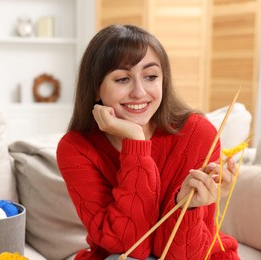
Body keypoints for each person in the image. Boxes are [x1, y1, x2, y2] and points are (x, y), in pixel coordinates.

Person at [56, 24, 240, 260]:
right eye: (122, 79)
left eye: (151, 76)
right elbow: (129, 246)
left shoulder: (198, 134)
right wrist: (135, 142)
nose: (139, 92)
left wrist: (187, 205)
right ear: (95, 88)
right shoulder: (75, 148)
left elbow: (183, 255)